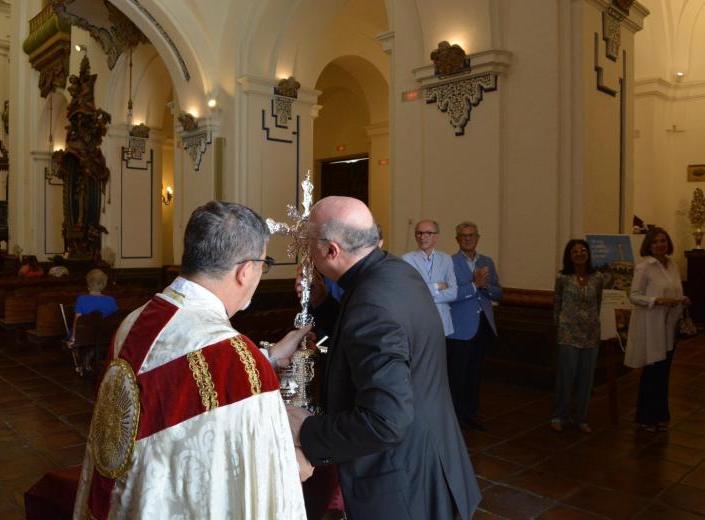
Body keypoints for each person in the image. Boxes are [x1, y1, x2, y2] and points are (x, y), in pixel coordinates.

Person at [73, 201, 310, 519]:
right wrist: (293, 464)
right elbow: (265, 477)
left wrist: (267, 356)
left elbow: (177, 385)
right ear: (245, 271)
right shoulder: (237, 358)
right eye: (263, 264)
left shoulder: (133, 322)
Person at [287, 196, 480, 520]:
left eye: (308, 242)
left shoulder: (371, 302)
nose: (304, 250)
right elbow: (367, 335)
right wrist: (323, 305)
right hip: (431, 451)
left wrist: (306, 431)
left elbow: (385, 421)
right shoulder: (395, 273)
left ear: (331, 251)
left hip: (401, 479)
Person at [624, 227, 689, 433]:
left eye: (663, 240)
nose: (660, 244)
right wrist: (656, 300)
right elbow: (633, 296)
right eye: (656, 242)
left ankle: (661, 415)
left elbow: (676, 290)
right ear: (649, 246)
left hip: (670, 327)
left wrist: (682, 300)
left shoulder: (673, 265)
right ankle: (645, 417)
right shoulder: (644, 268)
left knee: (664, 373)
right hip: (652, 327)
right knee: (652, 373)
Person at [448, 221, 502, 431]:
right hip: (460, 329)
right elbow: (450, 295)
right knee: (457, 375)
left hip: (482, 327)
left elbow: (499, 293)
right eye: (463, 235)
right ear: (457, 240)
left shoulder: (487, 261)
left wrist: (486, 285)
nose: (468, 239)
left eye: (471, 235)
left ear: (478, 238)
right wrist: (474, 285)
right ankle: (454, 418)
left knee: (474, 374)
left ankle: (471, 414)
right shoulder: (450, 263)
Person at [551, 239, 607, 434]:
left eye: (583, 250)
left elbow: (598, 303)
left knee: (586, 378)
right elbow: (557, 303)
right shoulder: (563, 277)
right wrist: (558, 326)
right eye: (575, 251)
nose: (580, 253)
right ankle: (559, 415)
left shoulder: (598, 277)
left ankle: (580, 418)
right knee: (567, 376)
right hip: (568, 333)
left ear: (589, 254)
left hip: (591, 334)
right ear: (569, 256)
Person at [403, 219, 458, 336]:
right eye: (419, 233)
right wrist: (437, 286)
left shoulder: (446, 259)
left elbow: (453, 293)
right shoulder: (407, 259)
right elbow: (409, 292)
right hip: (417, 322)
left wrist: (422, 294)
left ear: (436, 237)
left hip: (442, 323)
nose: (423, 237)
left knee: (441, 355)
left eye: (428, 233)